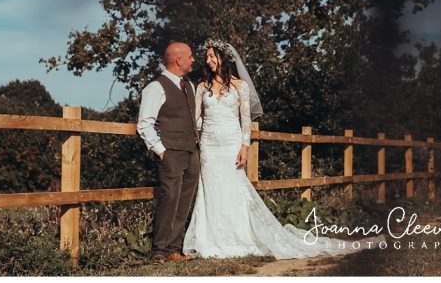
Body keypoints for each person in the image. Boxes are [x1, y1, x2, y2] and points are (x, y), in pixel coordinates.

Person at [182, 39, 385, 259]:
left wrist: (245, 146)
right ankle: (211, 239)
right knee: (210, 191)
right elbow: (196, 119)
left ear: (224, 58)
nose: (208, 60)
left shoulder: (240, 86)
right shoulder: (202, 87)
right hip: (210, 148)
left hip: (231, 144)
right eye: (207, 57)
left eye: (212, 56)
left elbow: (246, 120)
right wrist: (203, 135)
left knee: (233, 191)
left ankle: (237, 236)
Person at [137, 42, 200, 264]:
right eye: (190, 56)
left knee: (184, 200)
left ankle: (174, 249)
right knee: (170, 198)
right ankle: (159, 251)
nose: (193, 60)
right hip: (170, 152)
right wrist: (161, 152)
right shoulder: (156, 87)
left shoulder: (190, 86)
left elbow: (195, 119)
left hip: (192, 152)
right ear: (178, 60)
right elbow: (144, 124)